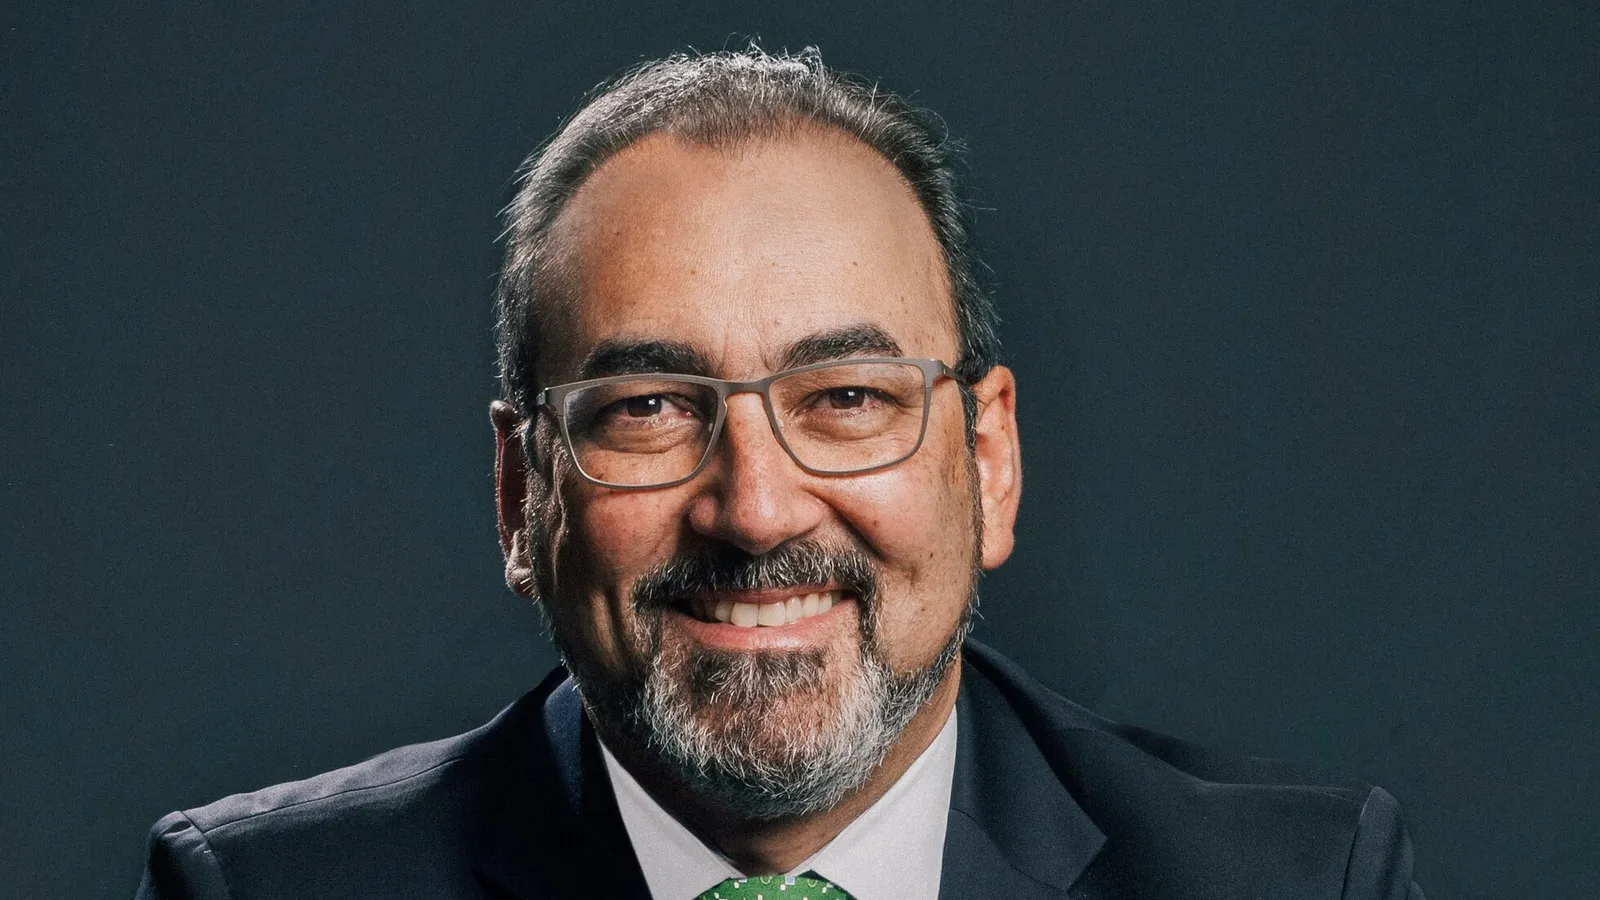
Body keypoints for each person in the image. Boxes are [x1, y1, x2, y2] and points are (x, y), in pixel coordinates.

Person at [136, 48, 1423, 900]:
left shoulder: (1299, 887)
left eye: (847, 399)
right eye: (647, 409)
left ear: (989, 460)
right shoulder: (256, 896)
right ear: (522, 498)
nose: (753, 510)